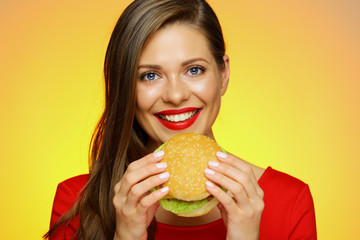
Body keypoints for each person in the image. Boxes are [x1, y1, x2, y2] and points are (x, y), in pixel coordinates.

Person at [44, 0, 317, 239]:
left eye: (194, 70)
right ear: (125, 86)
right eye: (150, 75)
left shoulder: (289, 202)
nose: (175, 95)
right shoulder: (77, 202)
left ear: (223, 75)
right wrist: (125, 236)